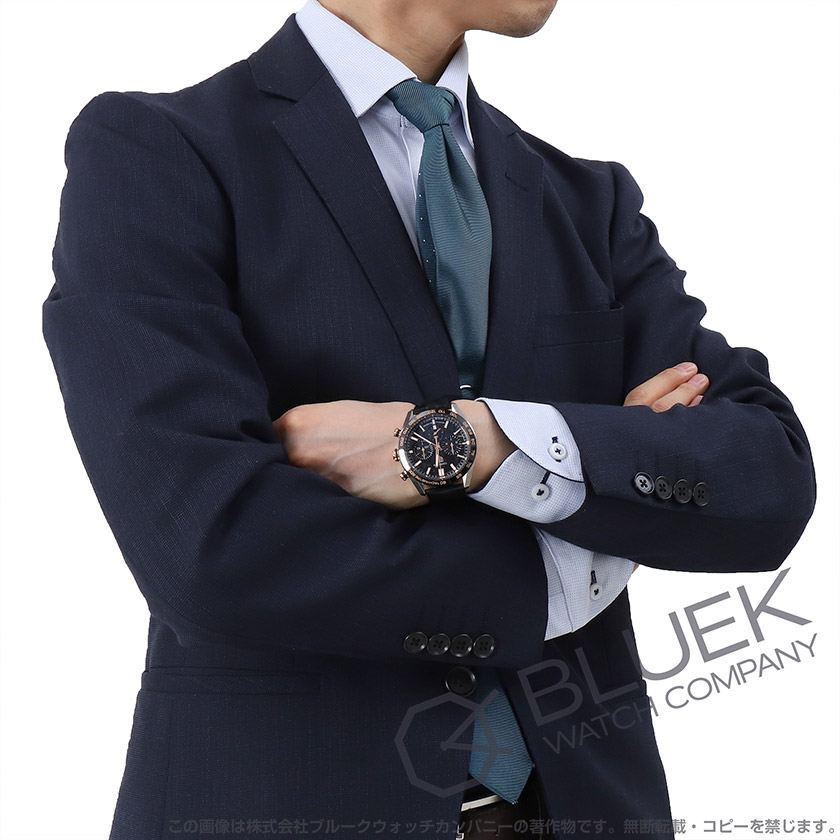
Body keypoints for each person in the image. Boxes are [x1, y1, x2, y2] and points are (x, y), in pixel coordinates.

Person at [41, 0, 816, 838]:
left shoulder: (586, 201)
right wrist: (567, 553)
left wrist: (479, 443)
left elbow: (767, 473)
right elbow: (207, 545)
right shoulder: (158, 152)